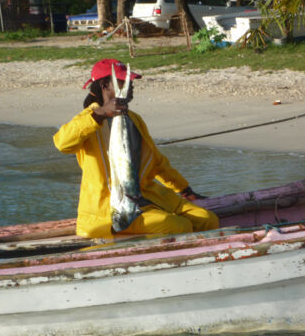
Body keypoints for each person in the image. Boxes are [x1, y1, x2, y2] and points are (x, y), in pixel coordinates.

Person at [53, 58, 219, 238]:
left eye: (130, 81)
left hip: (147, 196)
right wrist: (101, 113)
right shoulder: (88, 119)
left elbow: (157, 163)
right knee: (178, 226)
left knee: (207, 219)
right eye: (124, 81)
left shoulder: (134, 119)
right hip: (113, 208)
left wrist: (185, 190)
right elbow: (62, 143)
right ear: (104, 85)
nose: (130, 85)